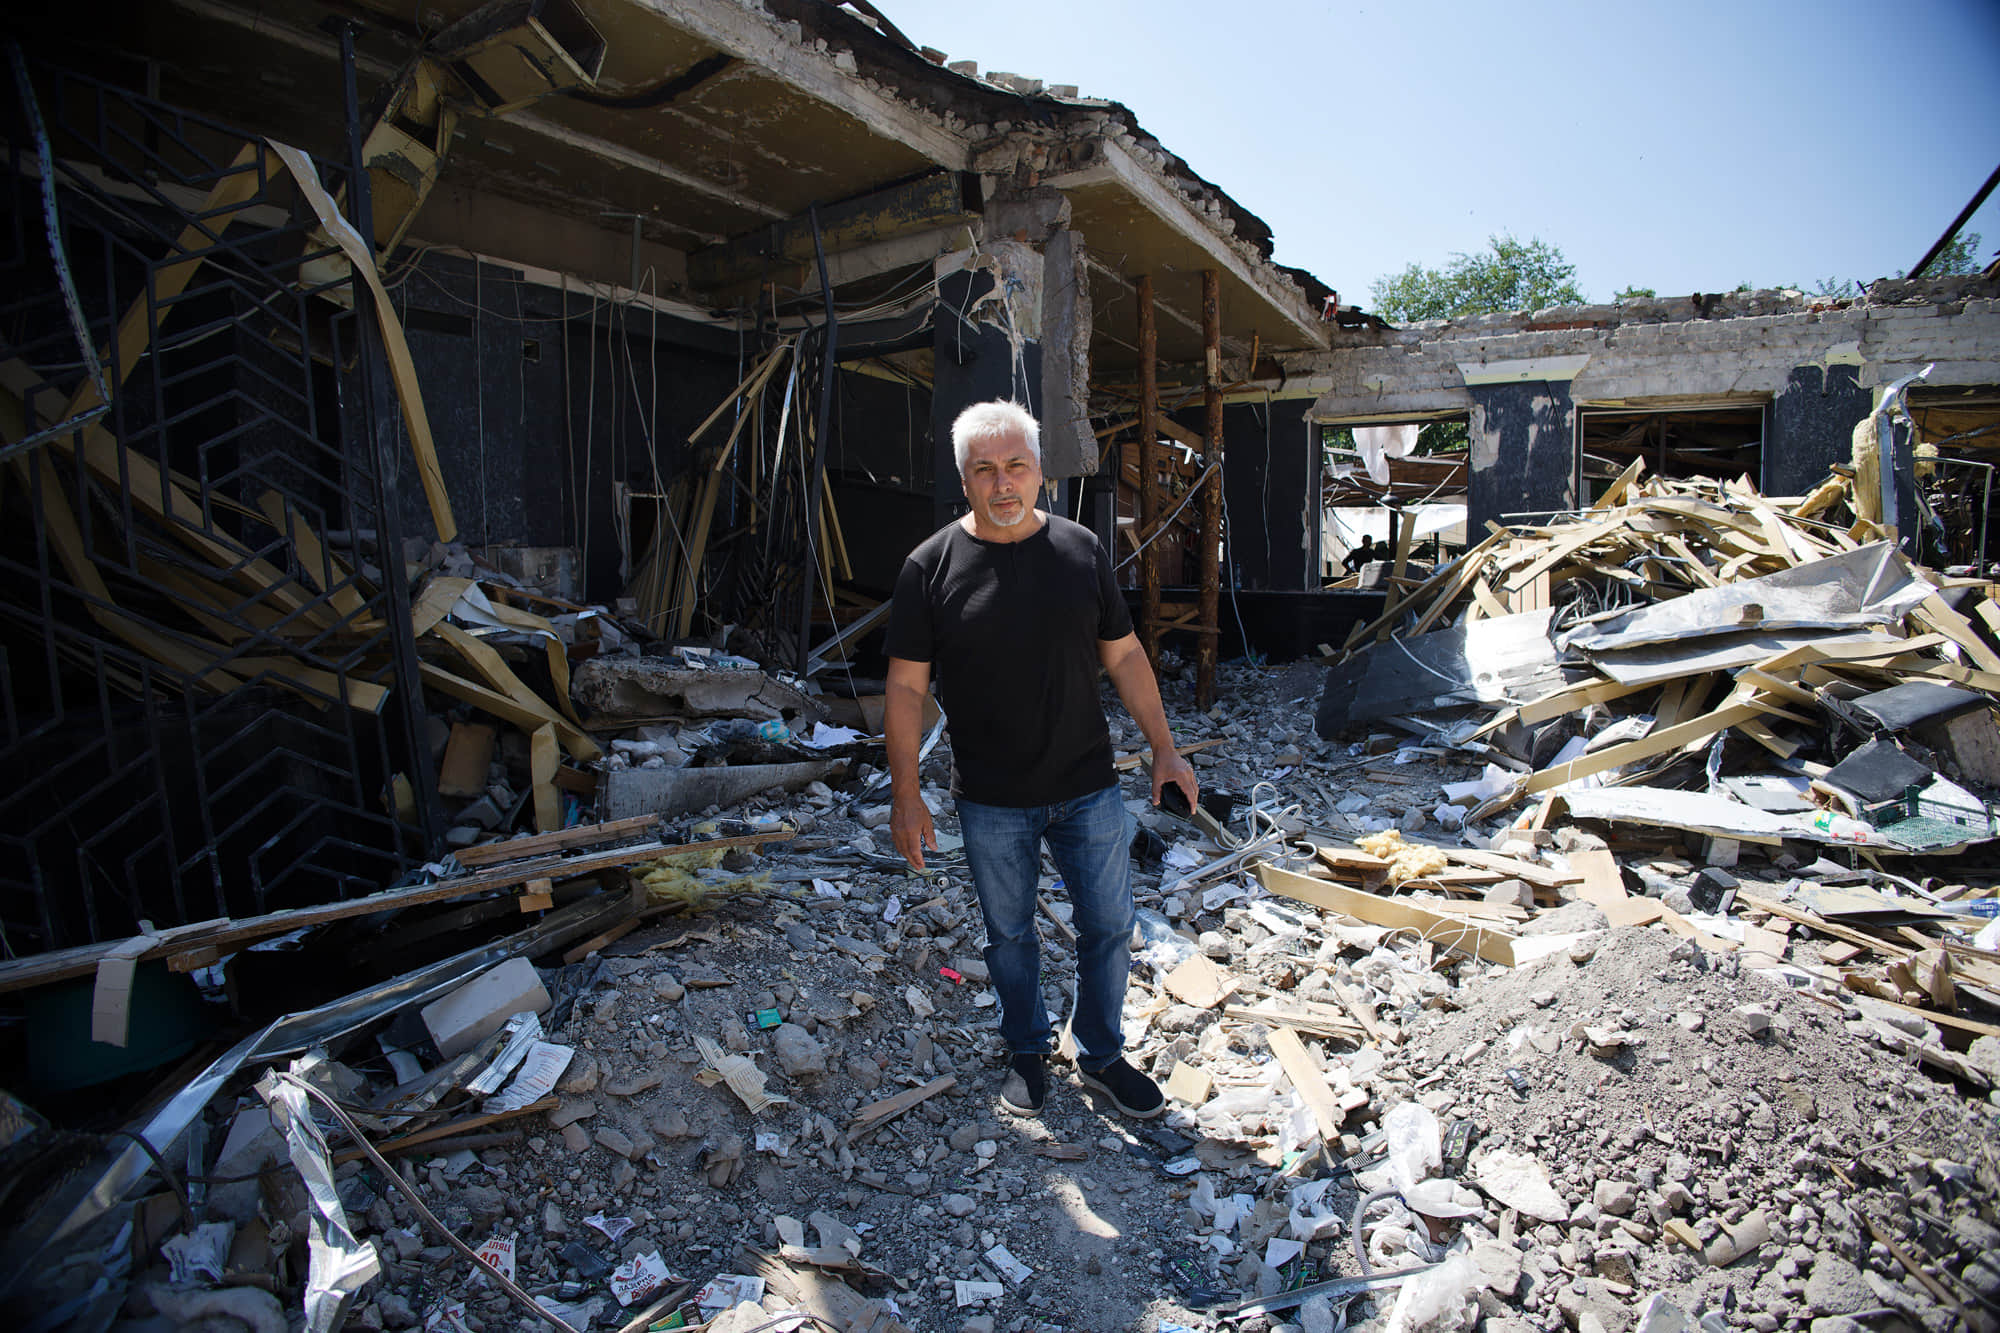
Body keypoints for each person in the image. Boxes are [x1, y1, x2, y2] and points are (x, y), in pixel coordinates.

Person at [882, 400, 1199, 1120]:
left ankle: (1101, 1053)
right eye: (985, 470)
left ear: (1040, 472)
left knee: (1109, 926)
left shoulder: (1081, 551)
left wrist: (1165, 748)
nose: (1003, 484)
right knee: (1010, 937)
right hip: (990, 798)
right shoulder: (929, 568)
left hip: (1088, 787)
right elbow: (904, 688)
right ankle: (1027, 1047)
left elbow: (1125, 655)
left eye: (1016, 466)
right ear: (964, 478)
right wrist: (906, 793)